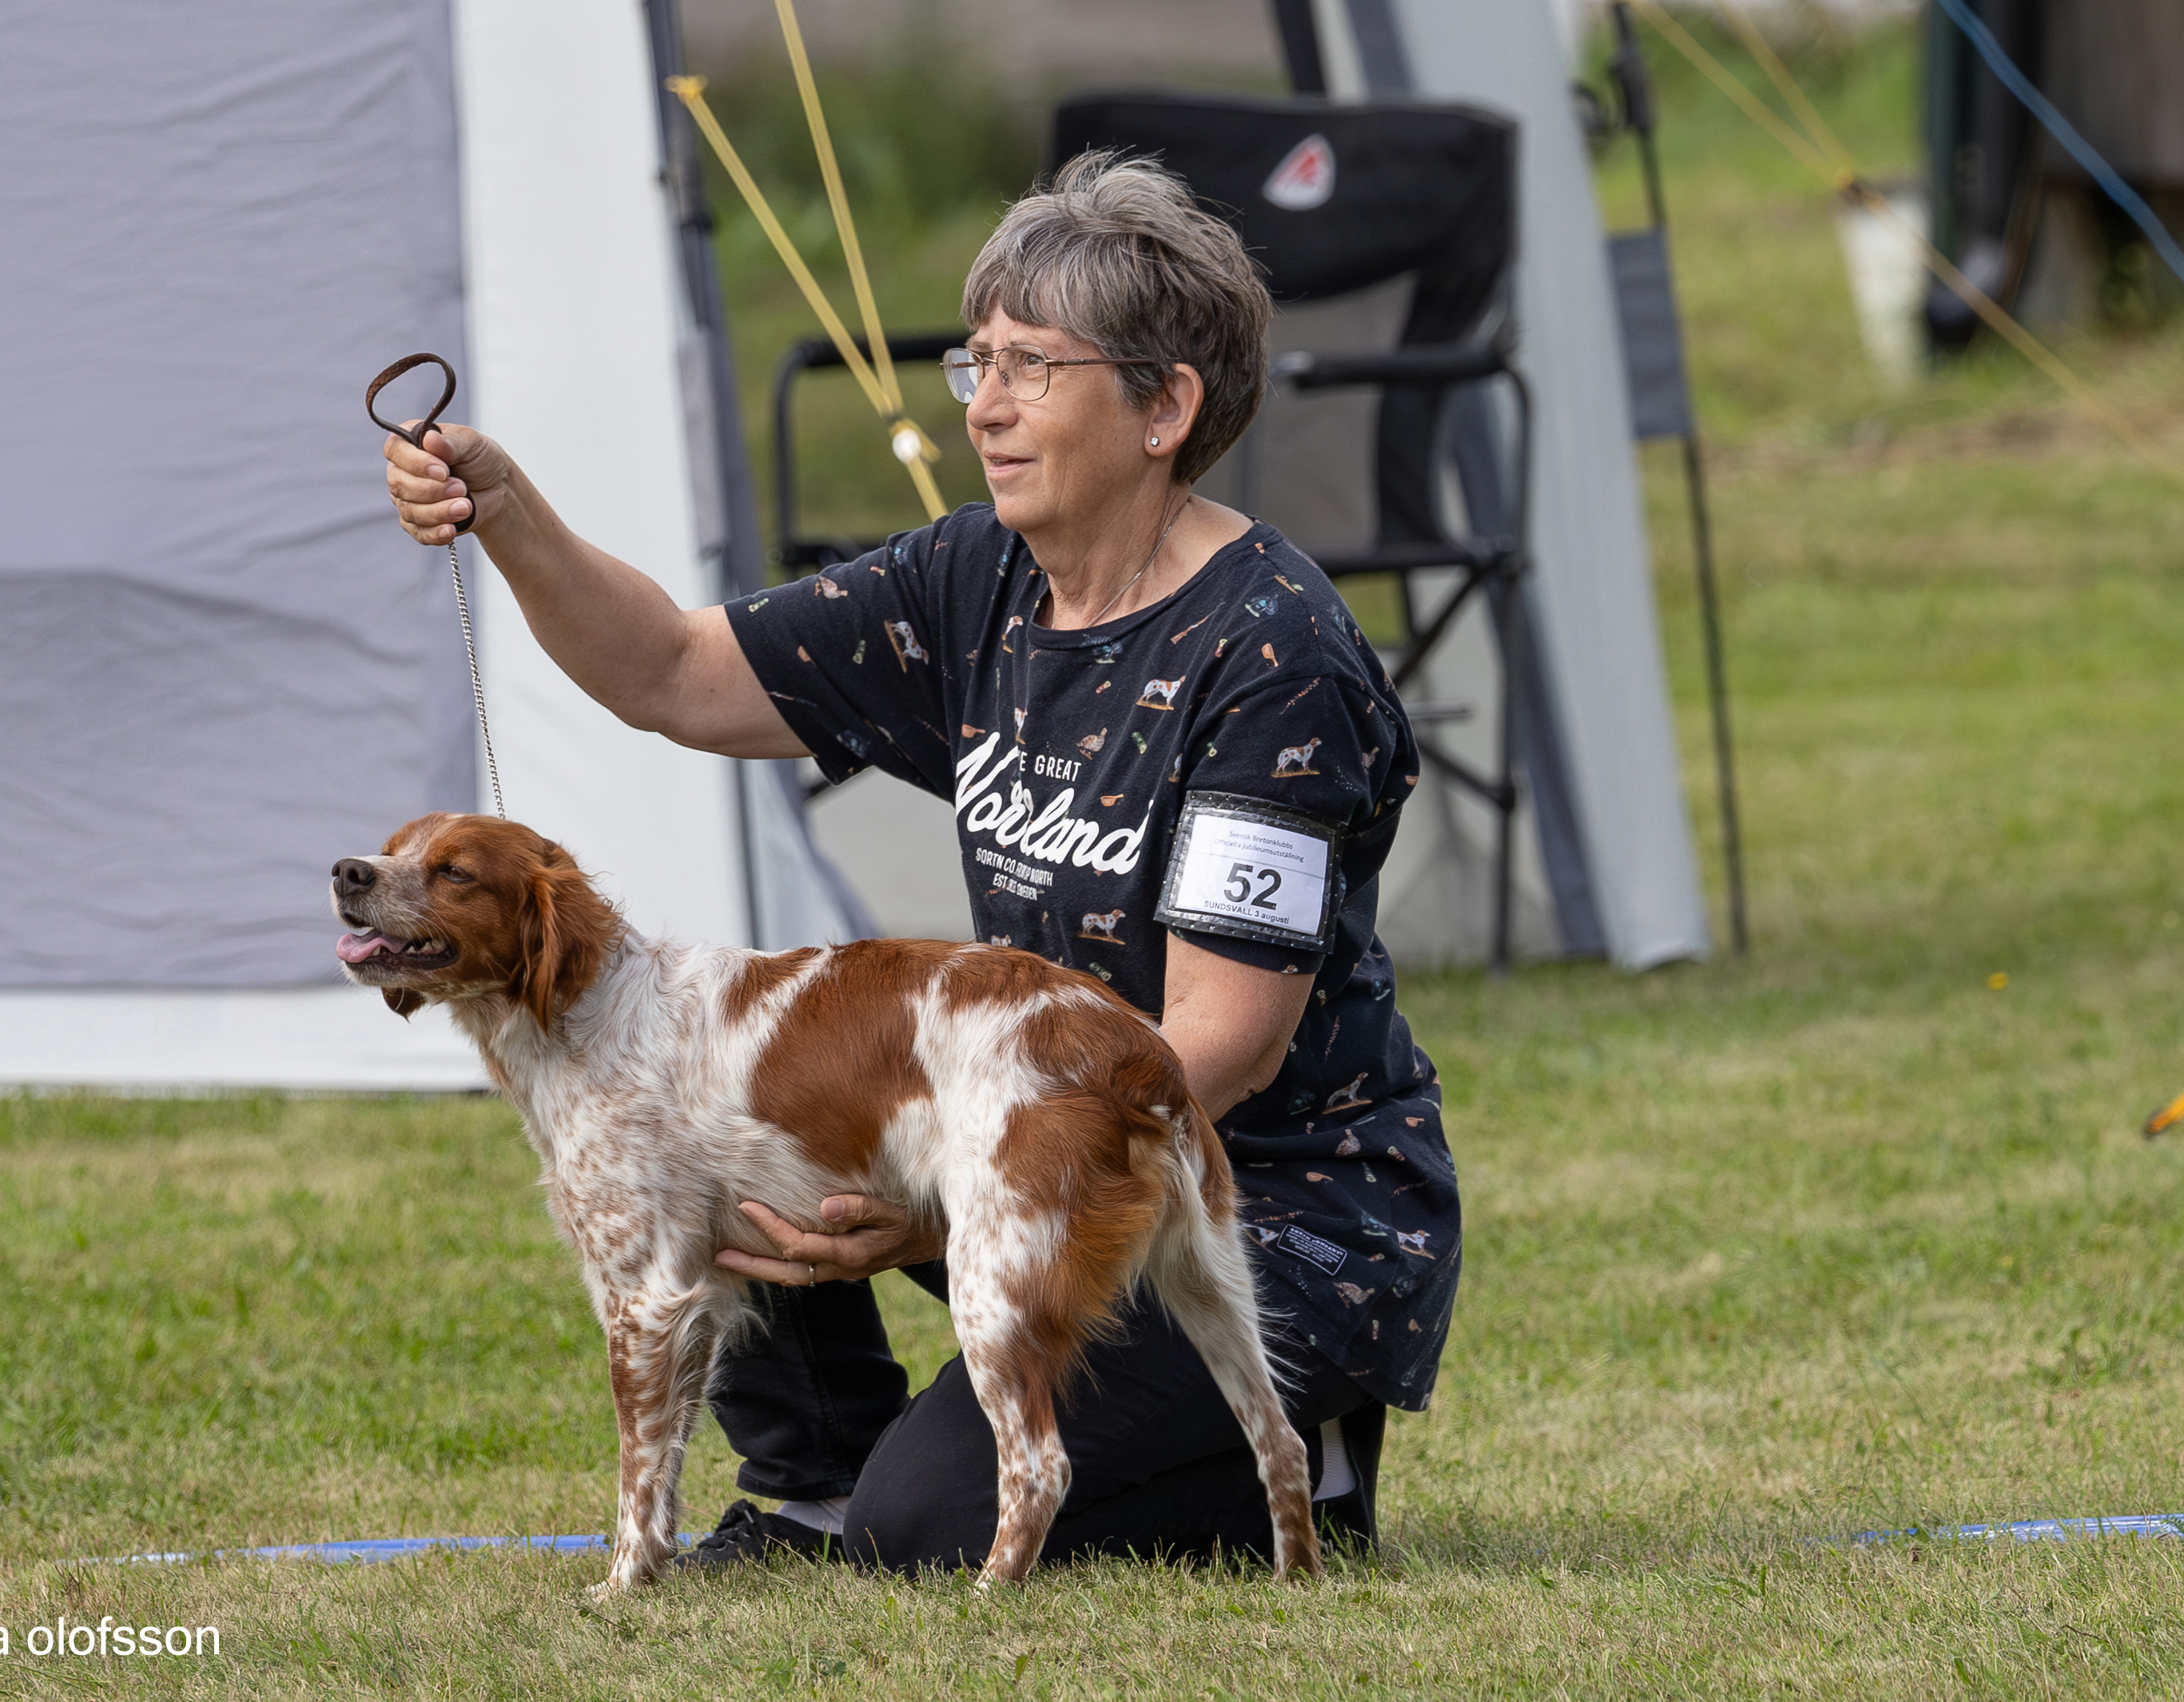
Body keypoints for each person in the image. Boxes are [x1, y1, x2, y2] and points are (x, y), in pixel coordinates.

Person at [381, 151, 1459, 1574]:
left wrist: (934, 1185)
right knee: (723, 1099)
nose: (987, 407)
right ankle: (812, 1477)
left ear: (1165, 408)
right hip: (1014, 1146)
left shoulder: (1269, 654)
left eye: (1031, 368)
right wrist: (507, 507)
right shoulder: (979, 579)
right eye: (979, 363)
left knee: (935, 1525)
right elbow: (670, 672)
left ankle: (1303, 1456)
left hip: (1251, 1200)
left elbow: (1226, 1040)